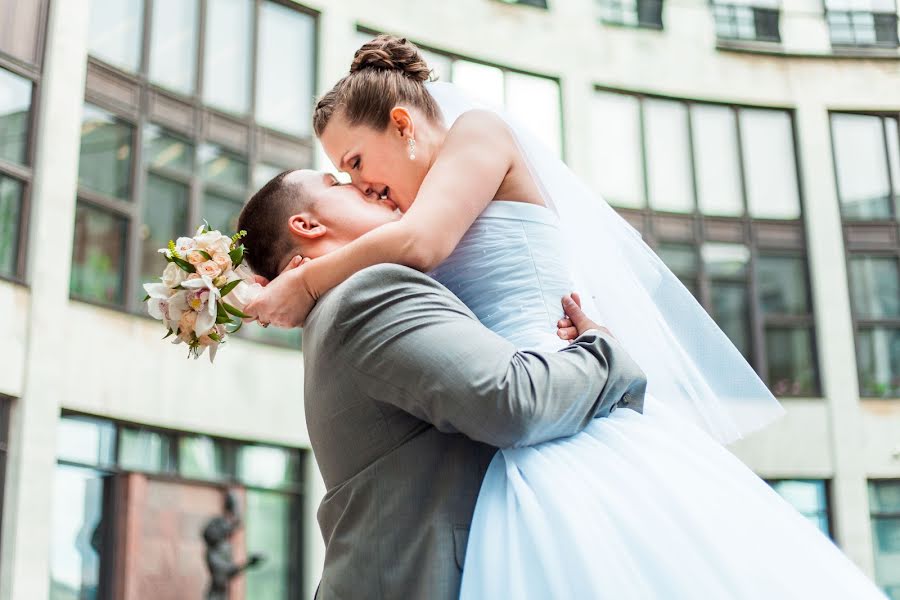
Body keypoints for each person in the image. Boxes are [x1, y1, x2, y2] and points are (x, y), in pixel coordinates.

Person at [244, 36, 888, 599]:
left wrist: (306, 280)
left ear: (403, 123)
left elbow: (421, 245)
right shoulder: (391, 250)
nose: (358, 185)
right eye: (340, 177)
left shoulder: (477, 138)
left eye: (354, 163)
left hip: (553, 391)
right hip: (526, 415)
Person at [236, 169, 648, 598]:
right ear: (307, 224)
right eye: (339, 183)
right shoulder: (368, 293)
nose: (368, 185)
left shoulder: (334, 311)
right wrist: (605, 352)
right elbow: (513, 400)